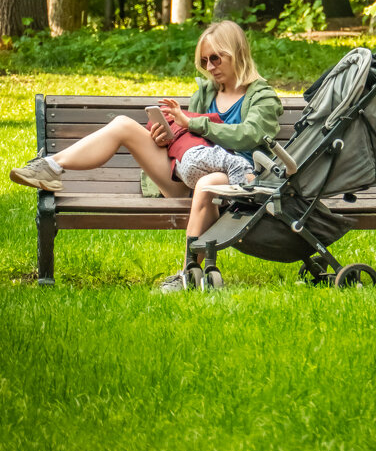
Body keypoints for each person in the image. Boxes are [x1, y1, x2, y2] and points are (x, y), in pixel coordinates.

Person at [10, 20, 283, 291]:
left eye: (216, 58)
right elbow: (193, 139)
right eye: (204, 61)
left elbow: (252, 135)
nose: (210, 67)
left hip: (237, 182)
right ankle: (51, 167)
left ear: (236, 53)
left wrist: (194, 124)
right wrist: (166, 136)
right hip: (187, 173)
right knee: (123, 125)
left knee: (206, 182)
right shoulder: (207, 91)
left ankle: (189, 272)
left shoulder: (262, 95)